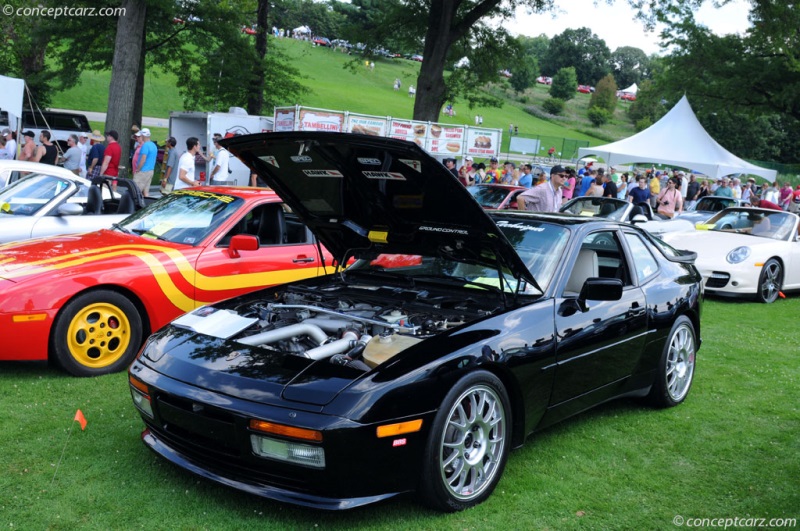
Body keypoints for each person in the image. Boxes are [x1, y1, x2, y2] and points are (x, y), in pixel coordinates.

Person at [131, 128, 157, 197]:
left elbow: (143, 159)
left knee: (135, 191)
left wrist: (138, 169)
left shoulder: (145, 145)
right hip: (150, 170)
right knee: (146, 192)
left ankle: (135, 207)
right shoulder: (153, 145)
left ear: (143, 136)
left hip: (143, 171)